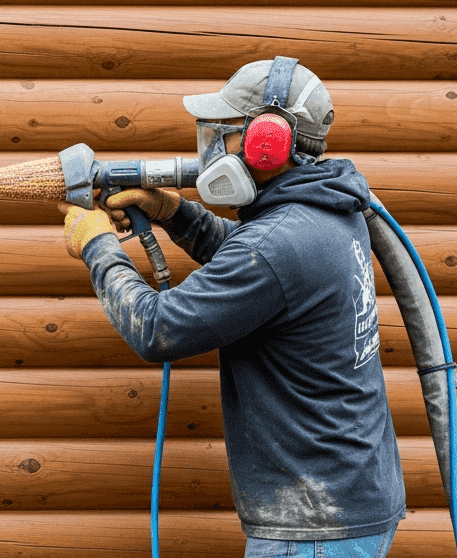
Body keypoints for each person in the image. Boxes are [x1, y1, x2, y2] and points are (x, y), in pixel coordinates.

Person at [59, 57, 405, 557]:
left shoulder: (277, 243)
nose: (212, 146)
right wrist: (173, 212)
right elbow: (254, 261)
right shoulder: (324, 208)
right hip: (347, 495)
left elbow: (158, 329)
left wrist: (97, 246)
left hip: (313, 525)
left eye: (225, 131)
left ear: (269, 142)